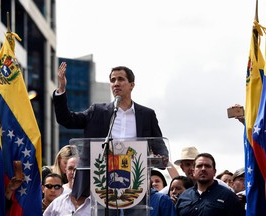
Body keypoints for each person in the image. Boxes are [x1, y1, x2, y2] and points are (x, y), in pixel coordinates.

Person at [53, 63, 169, 215]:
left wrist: (161, 156)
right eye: (113, 80)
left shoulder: (146, 115)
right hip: (101, 180)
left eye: (121, 79)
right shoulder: (97, 111)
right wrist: (61, 89)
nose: (116, 83)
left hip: (135, 182)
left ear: (132, 85)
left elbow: (159, 145)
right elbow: (67, 120)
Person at [176, 153, 245, 216]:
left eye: (207, 166)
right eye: (199, 166)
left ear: (214, 172)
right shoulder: (184, 196)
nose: (203, 169)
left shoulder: (228, 196)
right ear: (193, 171)